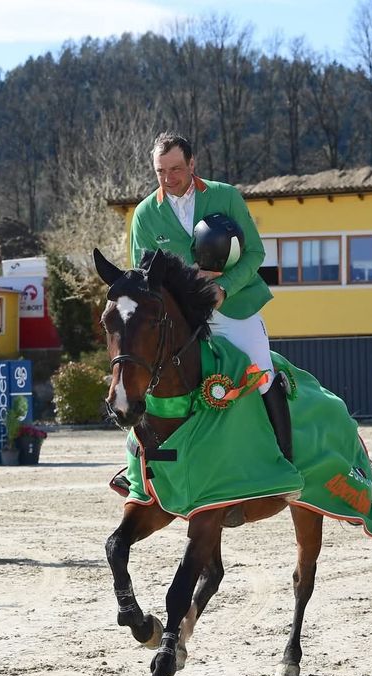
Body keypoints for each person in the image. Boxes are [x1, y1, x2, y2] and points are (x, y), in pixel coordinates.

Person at [127, 132, 291, 462]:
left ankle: (286, 461)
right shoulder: (144, 215)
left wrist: (224, 287)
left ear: (192, 163)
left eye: (175, 169)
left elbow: (255, 253)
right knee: (145, 376)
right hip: (182, 321)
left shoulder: (225, 196)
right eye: (160, 171)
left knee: (262, 374)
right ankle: (141, 465)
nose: (168, 178)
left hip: (235, 308)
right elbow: (143, 276)